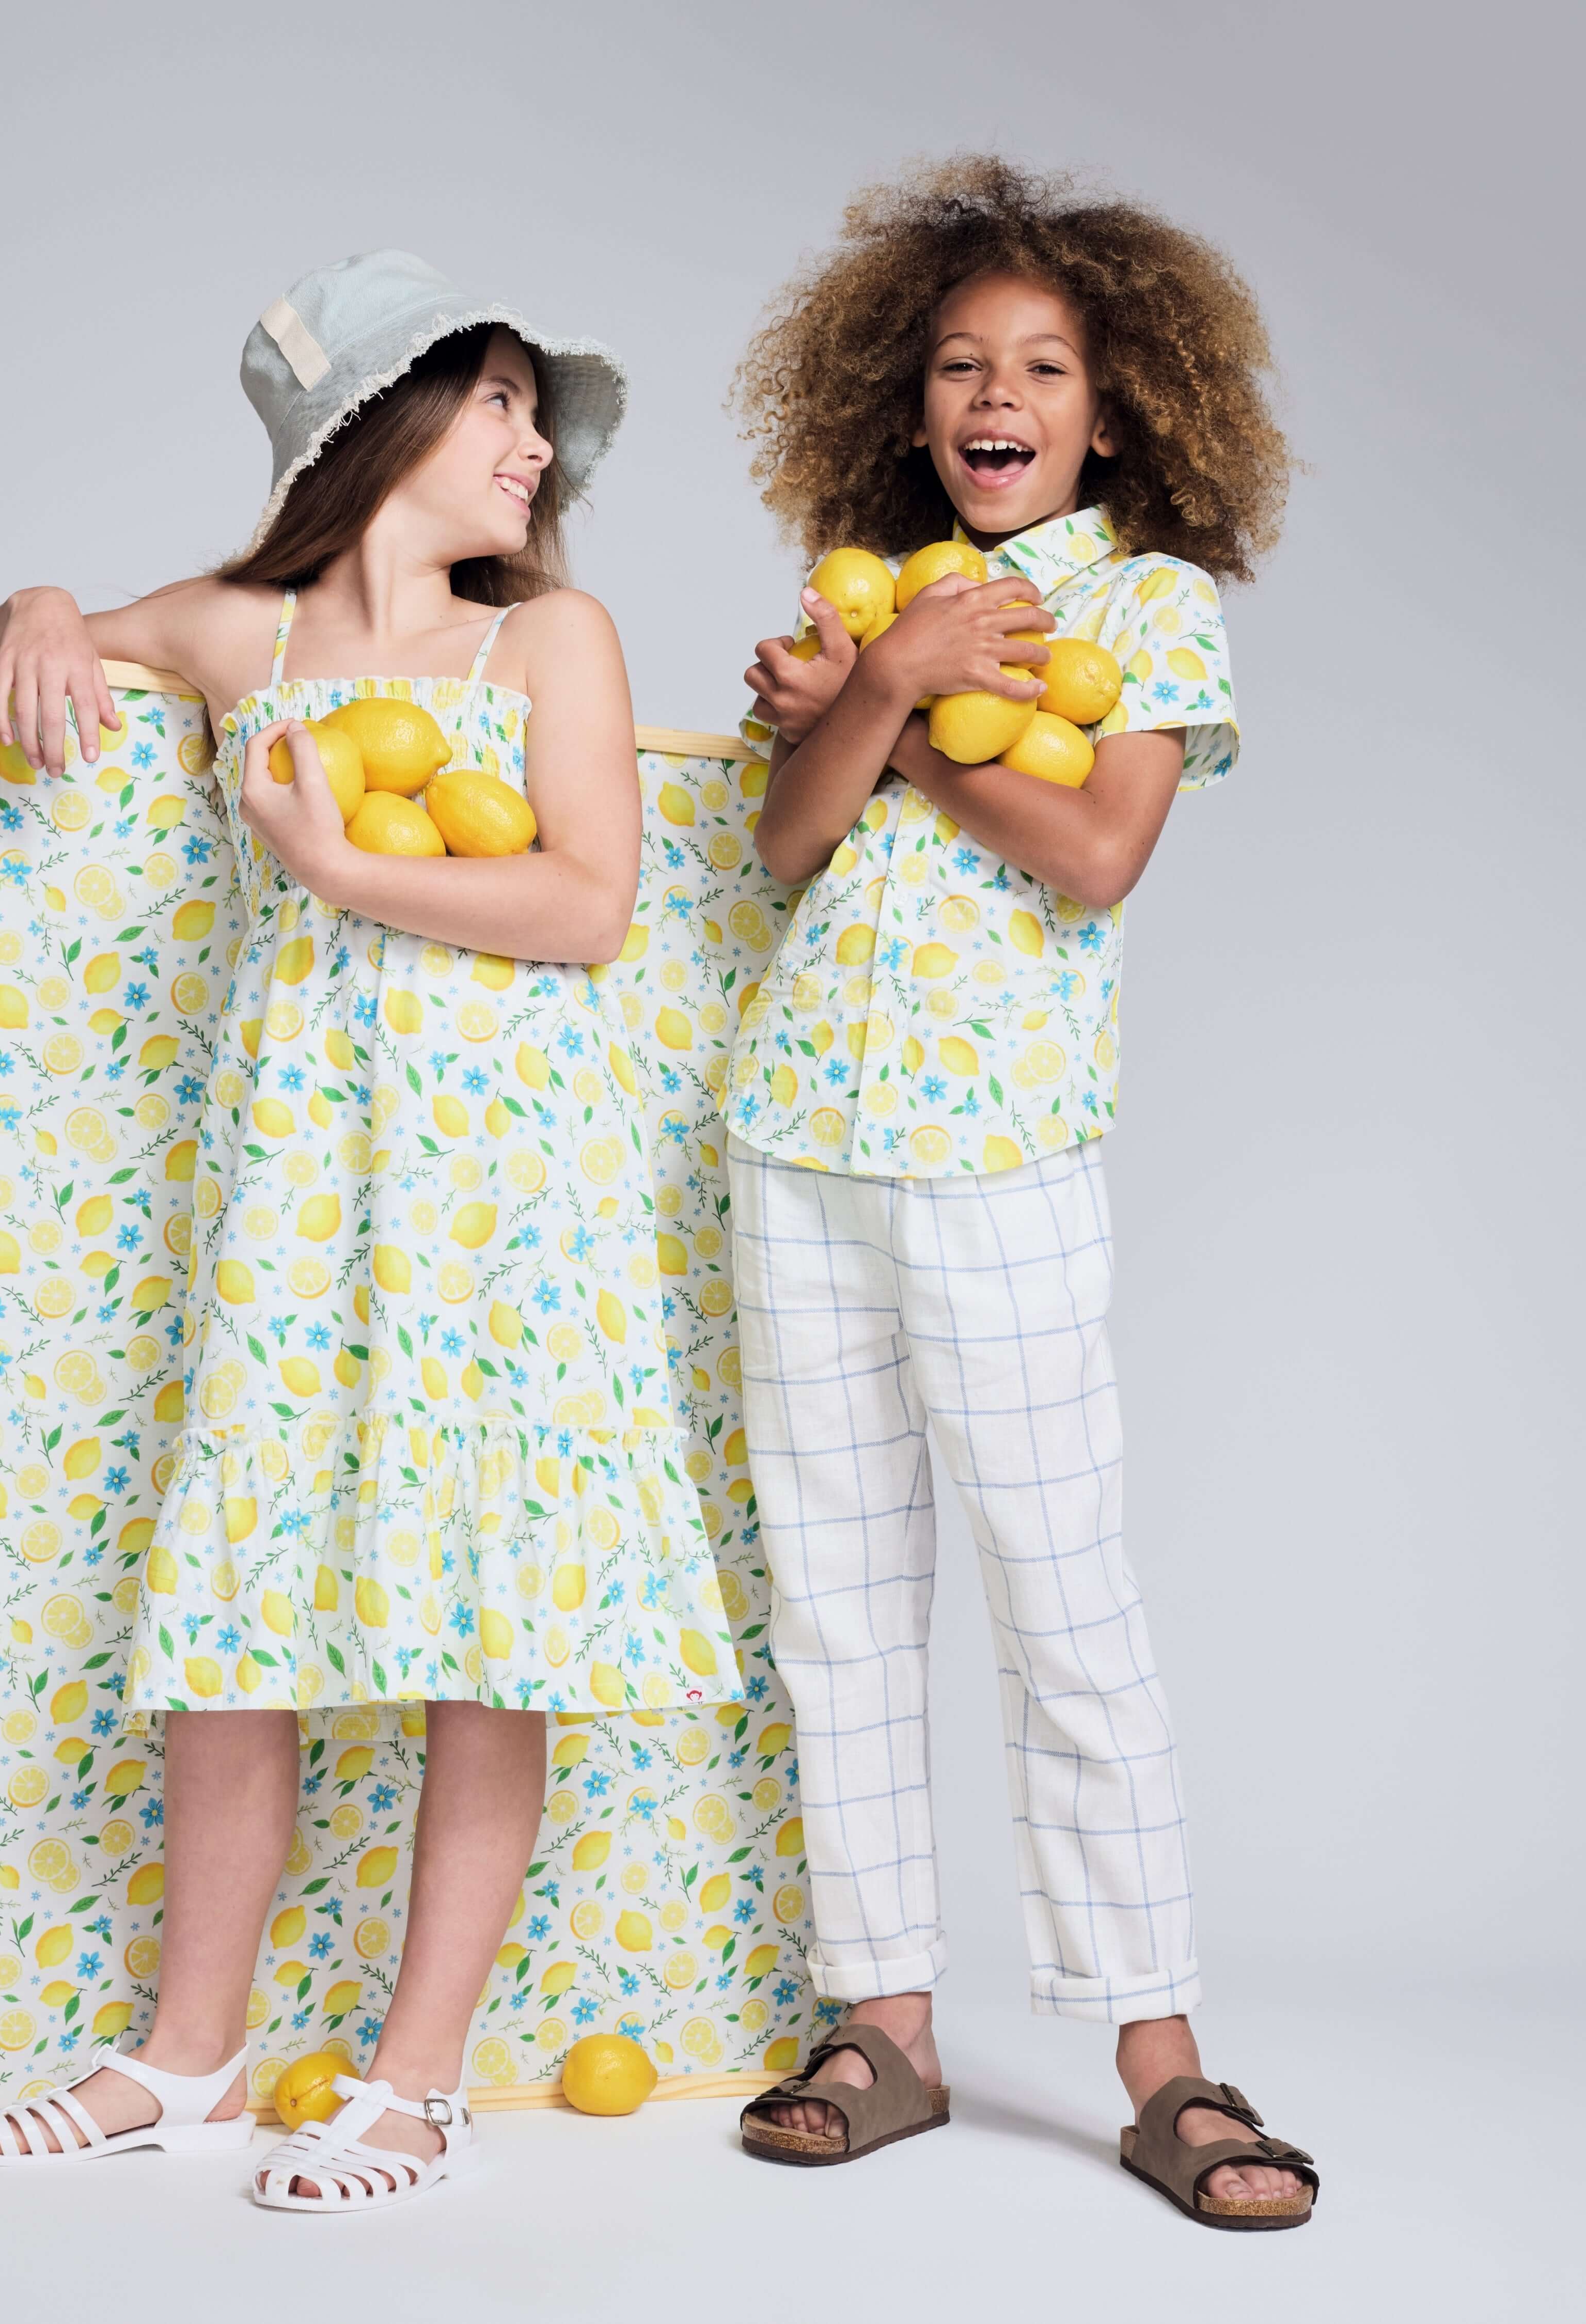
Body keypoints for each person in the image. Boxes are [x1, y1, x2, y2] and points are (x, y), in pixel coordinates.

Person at [0, 250, 739, 2212]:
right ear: (377, 425)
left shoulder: (552, 643)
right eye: (498, 405)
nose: (536, 447)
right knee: (241, 1597)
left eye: (540, 415)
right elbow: (48, 633)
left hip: (511, 1205)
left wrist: (330, 858)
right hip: (303, 1183)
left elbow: (587, 903)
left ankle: (421, 2077)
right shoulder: (251, 637)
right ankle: (184, 2056)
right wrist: (36, 605)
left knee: (498, 1619)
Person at [721, 159, 1319, 2229]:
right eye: (963, 363)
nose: (1000, 393)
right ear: (910, 402)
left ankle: (1161, 2060)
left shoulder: (1149, 604)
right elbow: (785, 851)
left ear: (1113, 405)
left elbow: (1096, 855)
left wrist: (890, 724)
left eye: (1044, 366)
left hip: (1002, 1161)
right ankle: (885, 2026)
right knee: (838, 1605)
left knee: (1069, 1611)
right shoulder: (863, 600)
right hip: (800, 1141)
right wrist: (880, 683)